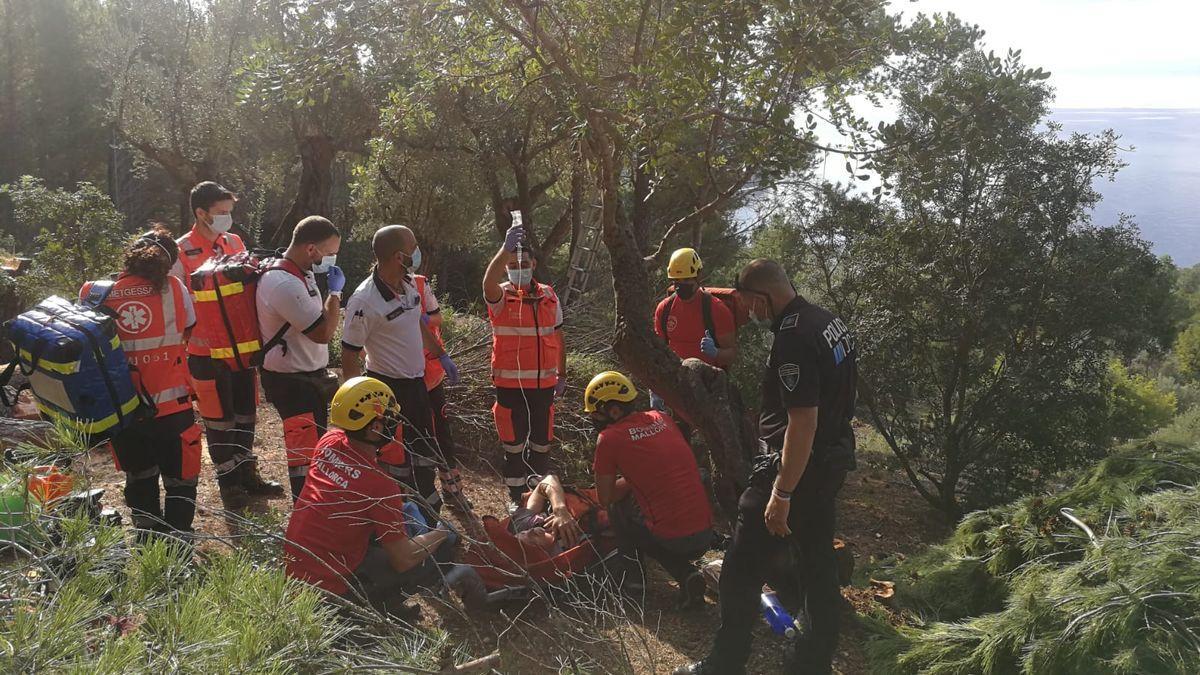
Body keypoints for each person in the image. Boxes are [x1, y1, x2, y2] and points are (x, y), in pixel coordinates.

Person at [676, 259, 857, 675]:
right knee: (817, 565)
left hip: (793, 469)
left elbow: (803, 420)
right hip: (828, 463)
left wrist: (782, 492)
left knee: (740, 569)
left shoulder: (792, 337)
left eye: (751, 306)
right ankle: (811, 663)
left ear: (764, 297)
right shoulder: (828, 322)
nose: (751, 315)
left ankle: (726, 663)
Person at [283, 376, 458, 613]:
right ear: (376, 427)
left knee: (402, 516)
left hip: (297, 573)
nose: (395, 423)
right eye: (390, 418)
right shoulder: (380, 486)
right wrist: (442, 531)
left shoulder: (328, 442)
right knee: (443, 545)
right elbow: (403, 559)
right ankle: (378, 604)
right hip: (330, 592)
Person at [80, 228, 202, 537]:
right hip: (173, 410)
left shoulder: (94, 293)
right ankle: (179, 547)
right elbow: (186, 332)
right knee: (181, 481)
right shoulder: (175, 289)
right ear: (170, 262)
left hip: (124, 411)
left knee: (140, 477)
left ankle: (149, 543)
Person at [171, 180, 282, 499]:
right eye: (221, 213)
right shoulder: (181, 251)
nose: (227, 218)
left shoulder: (234, 242)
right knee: (218, 419)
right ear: (200, 213)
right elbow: (177, 301)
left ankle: (248, 474)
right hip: (205, 351)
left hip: (242, 347)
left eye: (229, 212)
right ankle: (228, 483)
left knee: (246, 413)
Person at [341, 225, 458, 525]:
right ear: (398, 256)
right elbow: (349, 353)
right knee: (392, 461)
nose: (418, 252)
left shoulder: (407, 286)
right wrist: (357, 399)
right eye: (414, 247)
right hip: (386, 392)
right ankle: (397, 520)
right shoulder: (364, 301)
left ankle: (429, 519)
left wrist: (440, 354)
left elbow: (418, 323)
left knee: (423, 454)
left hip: (416, 386)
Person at [584, 371, 713, 607]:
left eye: (596, 412)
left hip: (677, 540)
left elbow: (605, 496)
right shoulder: (661, 417)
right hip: (706, 534)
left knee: (616, 509)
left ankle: (634, 582)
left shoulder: (609, 438)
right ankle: (686, 575)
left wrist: (632, 481)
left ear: (612, 410)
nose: (595, 418)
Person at [255, 215, 344, 500]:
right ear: (310, 249)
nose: (331, 259)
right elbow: (322, 332)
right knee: (304, 456)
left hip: (307, 378)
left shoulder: (301, 273)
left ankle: (315, 507)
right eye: (329, 253)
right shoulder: (283, 283)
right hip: (293, 383)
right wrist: (336, 293)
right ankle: (307, 513)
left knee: (314, 449)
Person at [482, 214, 567, 503]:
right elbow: (488, 282)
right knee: (514, 446)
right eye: (513, 266)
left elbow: (558, 336)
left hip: (544, 387)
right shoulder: (501, 296)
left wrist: (562, 375)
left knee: (541, 446)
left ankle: (539, 497)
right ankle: (517, 497)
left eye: (524, 264)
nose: (519, 269)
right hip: (510, 387)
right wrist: (505, 250)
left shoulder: (549, 296)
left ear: (535, 265)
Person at [413, 272, 470, 509]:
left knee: (442, 435)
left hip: (432, 375)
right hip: (403, 378)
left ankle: (452, 491)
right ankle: (419, 494)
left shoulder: (419, 282)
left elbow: (437, 317)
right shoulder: (374, 290)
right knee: (416, 438)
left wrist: (423, 319)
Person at [654, 248, 738, 369]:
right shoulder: (664, 309)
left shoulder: (717, 310)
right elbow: (658, 349)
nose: (681, 286)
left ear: (698, 277)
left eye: (687, 279)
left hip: (706, 381)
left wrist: (716, 353)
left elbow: (732, 354)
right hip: (672, 379)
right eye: (677, 281)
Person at [509, 473, 586, 555]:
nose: (531, 531)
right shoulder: (566, 557)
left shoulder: (520, 525)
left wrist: (560, 511)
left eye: (524, 533)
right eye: (532, 541)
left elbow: (549, 480)